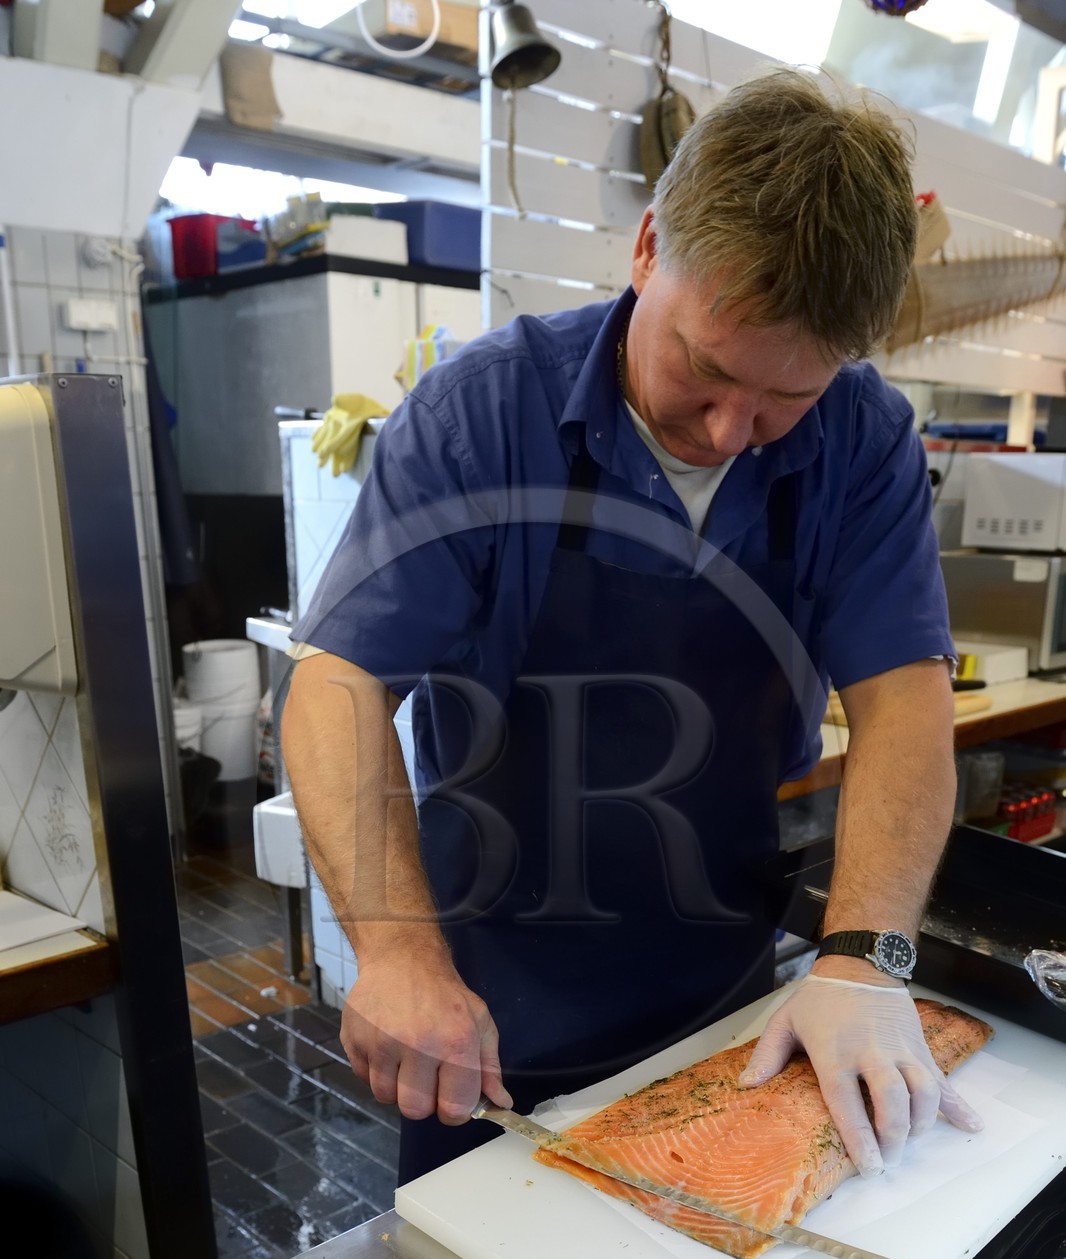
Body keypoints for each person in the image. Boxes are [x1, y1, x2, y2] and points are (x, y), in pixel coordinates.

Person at [282, 68, 983, 1187]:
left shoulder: (866, 440)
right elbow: (338, 683)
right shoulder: (479, 418)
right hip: (485, 1008)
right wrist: (398, 954)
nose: (730, 430)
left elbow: (905, 701)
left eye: (785, 400)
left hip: (729, 989)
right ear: (650, 247)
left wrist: (863, 956)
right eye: (706, 371)